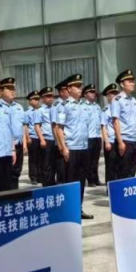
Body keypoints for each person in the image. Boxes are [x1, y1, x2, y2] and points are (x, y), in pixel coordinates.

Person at [55, 74, 93, 219]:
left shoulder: (84, 106)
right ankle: (68, 210)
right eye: (76, 86)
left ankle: (78, 208)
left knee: (81, 181)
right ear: (69, 89)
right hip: (71, 148)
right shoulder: (64, 106)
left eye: (80, 86)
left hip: (83, 147)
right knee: (70, 181)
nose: (79, 89)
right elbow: (59, 128)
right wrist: (64, 148)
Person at [111, 70, 136, 178]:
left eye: (133, 81)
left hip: (134, 140)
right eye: (129, 81)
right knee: (123, 172)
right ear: (122, 84)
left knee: (132, 172)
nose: (132, 83)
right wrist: (120, 142)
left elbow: (135, 120)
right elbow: (115, 121)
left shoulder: (134, 100)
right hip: (125, 140)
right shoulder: (117, 100)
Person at [1, 78, 25, 190]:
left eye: (13, 89)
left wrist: (24, 143)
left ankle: (15, 193)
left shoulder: (19, 107)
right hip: (6, 146)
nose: (12, 91)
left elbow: (23, 125)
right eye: (9, 89)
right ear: (1, 91)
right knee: (6, 173)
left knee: (17, 172)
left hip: (19, 143)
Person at [80, 85, 101, 186]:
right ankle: (90, 180)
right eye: (91, 92)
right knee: (88, 160)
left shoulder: (97, 106)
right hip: (88, 137)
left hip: (97, 136)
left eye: (94, 92)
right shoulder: (82, 106)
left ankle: (96, 178)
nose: (93, 94)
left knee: (95, 160)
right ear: (85, 94)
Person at [36, 87, 57, 186]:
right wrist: (41, 139)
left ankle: (53, 182)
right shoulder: (39, 111)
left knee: (54, 163)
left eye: (51, 96)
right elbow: (37, 126)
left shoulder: (55, 108)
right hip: (46, 139)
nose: (50, 98)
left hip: (55, 139)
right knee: (46, 164)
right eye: (48, 96)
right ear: (42, 98)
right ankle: (47, 184)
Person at [101, 84, 119, 183]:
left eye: (116, 93)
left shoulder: (119, 107)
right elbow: (103, 126)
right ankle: (110, 188)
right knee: (111, 166)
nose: (115, 95)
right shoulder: (106, 110)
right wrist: (106, 142)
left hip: (120, 140)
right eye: (112, 93)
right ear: (108, 96)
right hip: (111, 141)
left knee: (119, 166)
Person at [26, 91, 43, 185]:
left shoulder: (41, 110)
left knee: (41, 158)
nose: (37, 101)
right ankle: (33, 176)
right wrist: (27, 137)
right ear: (29, 101)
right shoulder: (27, 113)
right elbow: (25, 126)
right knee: (33, 158)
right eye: (34, 99)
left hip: (41, 137)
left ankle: (40, 176)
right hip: (33, 137)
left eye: (38, 99)